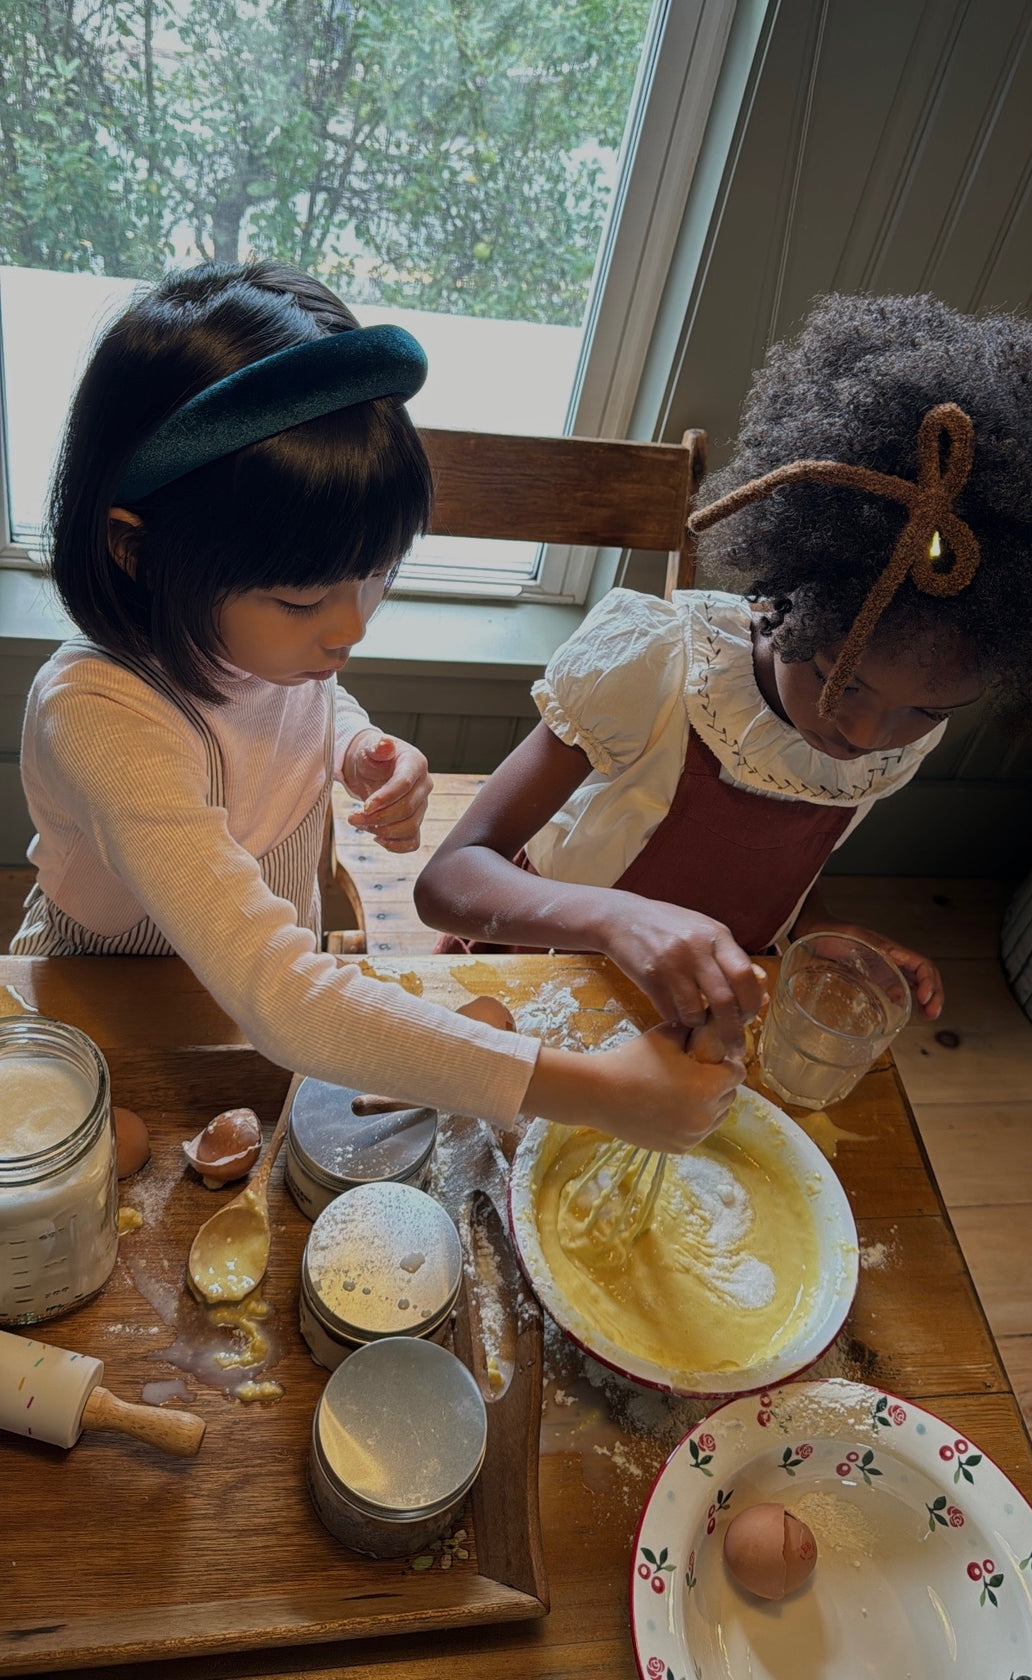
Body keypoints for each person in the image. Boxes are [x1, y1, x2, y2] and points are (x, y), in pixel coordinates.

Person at [13, 260, 744, 1149]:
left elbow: (284, 698)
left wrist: (355, 744)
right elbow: (281, 994)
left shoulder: (258, 645)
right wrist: (591, 1090)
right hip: (121, 994)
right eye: (300, 600)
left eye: (377, 575)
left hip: (267, 969)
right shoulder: (96, 713)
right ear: (135, 553)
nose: (349, 629)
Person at [415, 292, 1032, 1031]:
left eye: (925, 711)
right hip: (536, 979)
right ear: (784, 599)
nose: (864, 733)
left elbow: (782, 865)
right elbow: (449, 881)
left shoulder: (903, 733)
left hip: (702, 1013)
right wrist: (616, 921)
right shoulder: (654, 670)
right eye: (839, 678)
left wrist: (818, 929)